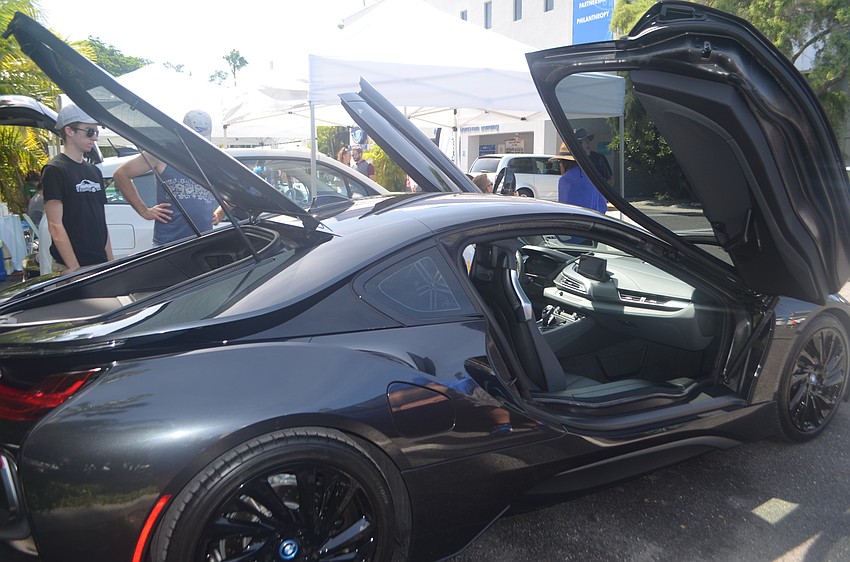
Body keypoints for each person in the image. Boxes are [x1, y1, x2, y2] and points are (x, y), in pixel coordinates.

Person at [113, 110, 219, 246]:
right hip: (169, 245)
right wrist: (144, 210)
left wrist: (220, 213)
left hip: (203, 243)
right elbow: (121, 175)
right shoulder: (162, 154)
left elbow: (238, 187)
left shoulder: (212, 160)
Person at [41, 104, 112, 274]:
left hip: (100, 264)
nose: (94, 138)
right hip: (72, 267)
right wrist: (74, 268)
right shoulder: (55, 170)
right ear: (69, 131)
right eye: (89, 131)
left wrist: (111, 262)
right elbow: (55, 224)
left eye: (96, 132)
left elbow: (101, 222)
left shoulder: (94, 171)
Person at [550, 143, 607, 213]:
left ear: (565, 163)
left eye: (560, 162)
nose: (560, 165)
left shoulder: (566, 180)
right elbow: (602, 207)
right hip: (595, 220)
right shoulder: (593, 175)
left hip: (577, 221)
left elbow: (564, 209)